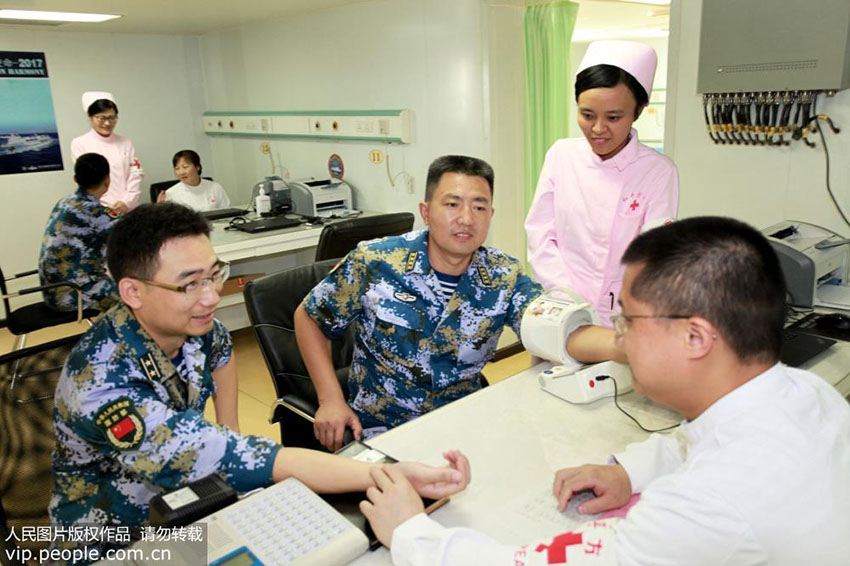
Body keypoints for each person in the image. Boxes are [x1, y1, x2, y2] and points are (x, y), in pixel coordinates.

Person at [361, 216, 850, 565]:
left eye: (629, 320)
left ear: (696, 337)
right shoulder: (806, 393)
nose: (619, 337)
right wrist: (630, 470)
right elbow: (704, 445)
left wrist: (411, 535)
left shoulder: (711, 506)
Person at [49, 203, 470, 533]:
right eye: (189, 283)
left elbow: (222, 351)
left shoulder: (195, 324)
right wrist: (388, 474)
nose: (211, 296)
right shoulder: (100, 383)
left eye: (214, 275)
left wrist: (227, 427)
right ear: (132, 292)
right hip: (114, 537)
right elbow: (246, 458)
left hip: (186, 502)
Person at [295, 155, 544, 451]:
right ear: (425, 212)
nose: (466, 218)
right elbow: (310, 318)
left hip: (464, 428)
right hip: (382, 432)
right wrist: (330, 400)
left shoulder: (504, 275)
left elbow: (548, 324)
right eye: (452, 204)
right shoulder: (376, 262)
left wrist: (608, 342)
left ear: (491, 214)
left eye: (479, 207)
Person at [525, 40, 679, 332]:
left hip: (623, 317)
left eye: (613, 117)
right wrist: (567, 298)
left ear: (640, 110)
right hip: (560, 309)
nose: (597, 129)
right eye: (587, 115)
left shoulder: (658, 172)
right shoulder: (561, 155)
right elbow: (540, 234)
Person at [38, 152, 119, 312]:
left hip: (53, 291)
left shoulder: (65, 202)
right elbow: (132, 232)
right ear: (107, 180)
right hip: (74, 294)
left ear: (75, 179)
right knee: (137, 294)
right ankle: (120, 337)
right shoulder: (94, 211)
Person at [70, 91, 143, 215]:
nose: (107, 123)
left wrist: (127, 202)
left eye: (112, 117)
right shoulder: (80, 143)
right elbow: (87, 180)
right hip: (99, 210)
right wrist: (109, 208)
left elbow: (135, 174)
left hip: (129, 208)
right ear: (90, 117)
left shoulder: (126, 143)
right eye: (102, 118)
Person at [157, 149, 231, 211]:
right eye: (177, 169)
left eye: (185, 167)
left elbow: (227, 212)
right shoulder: (170, 194)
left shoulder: (215, 187)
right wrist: (159, 209)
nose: (181, 172)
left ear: (197, 167)